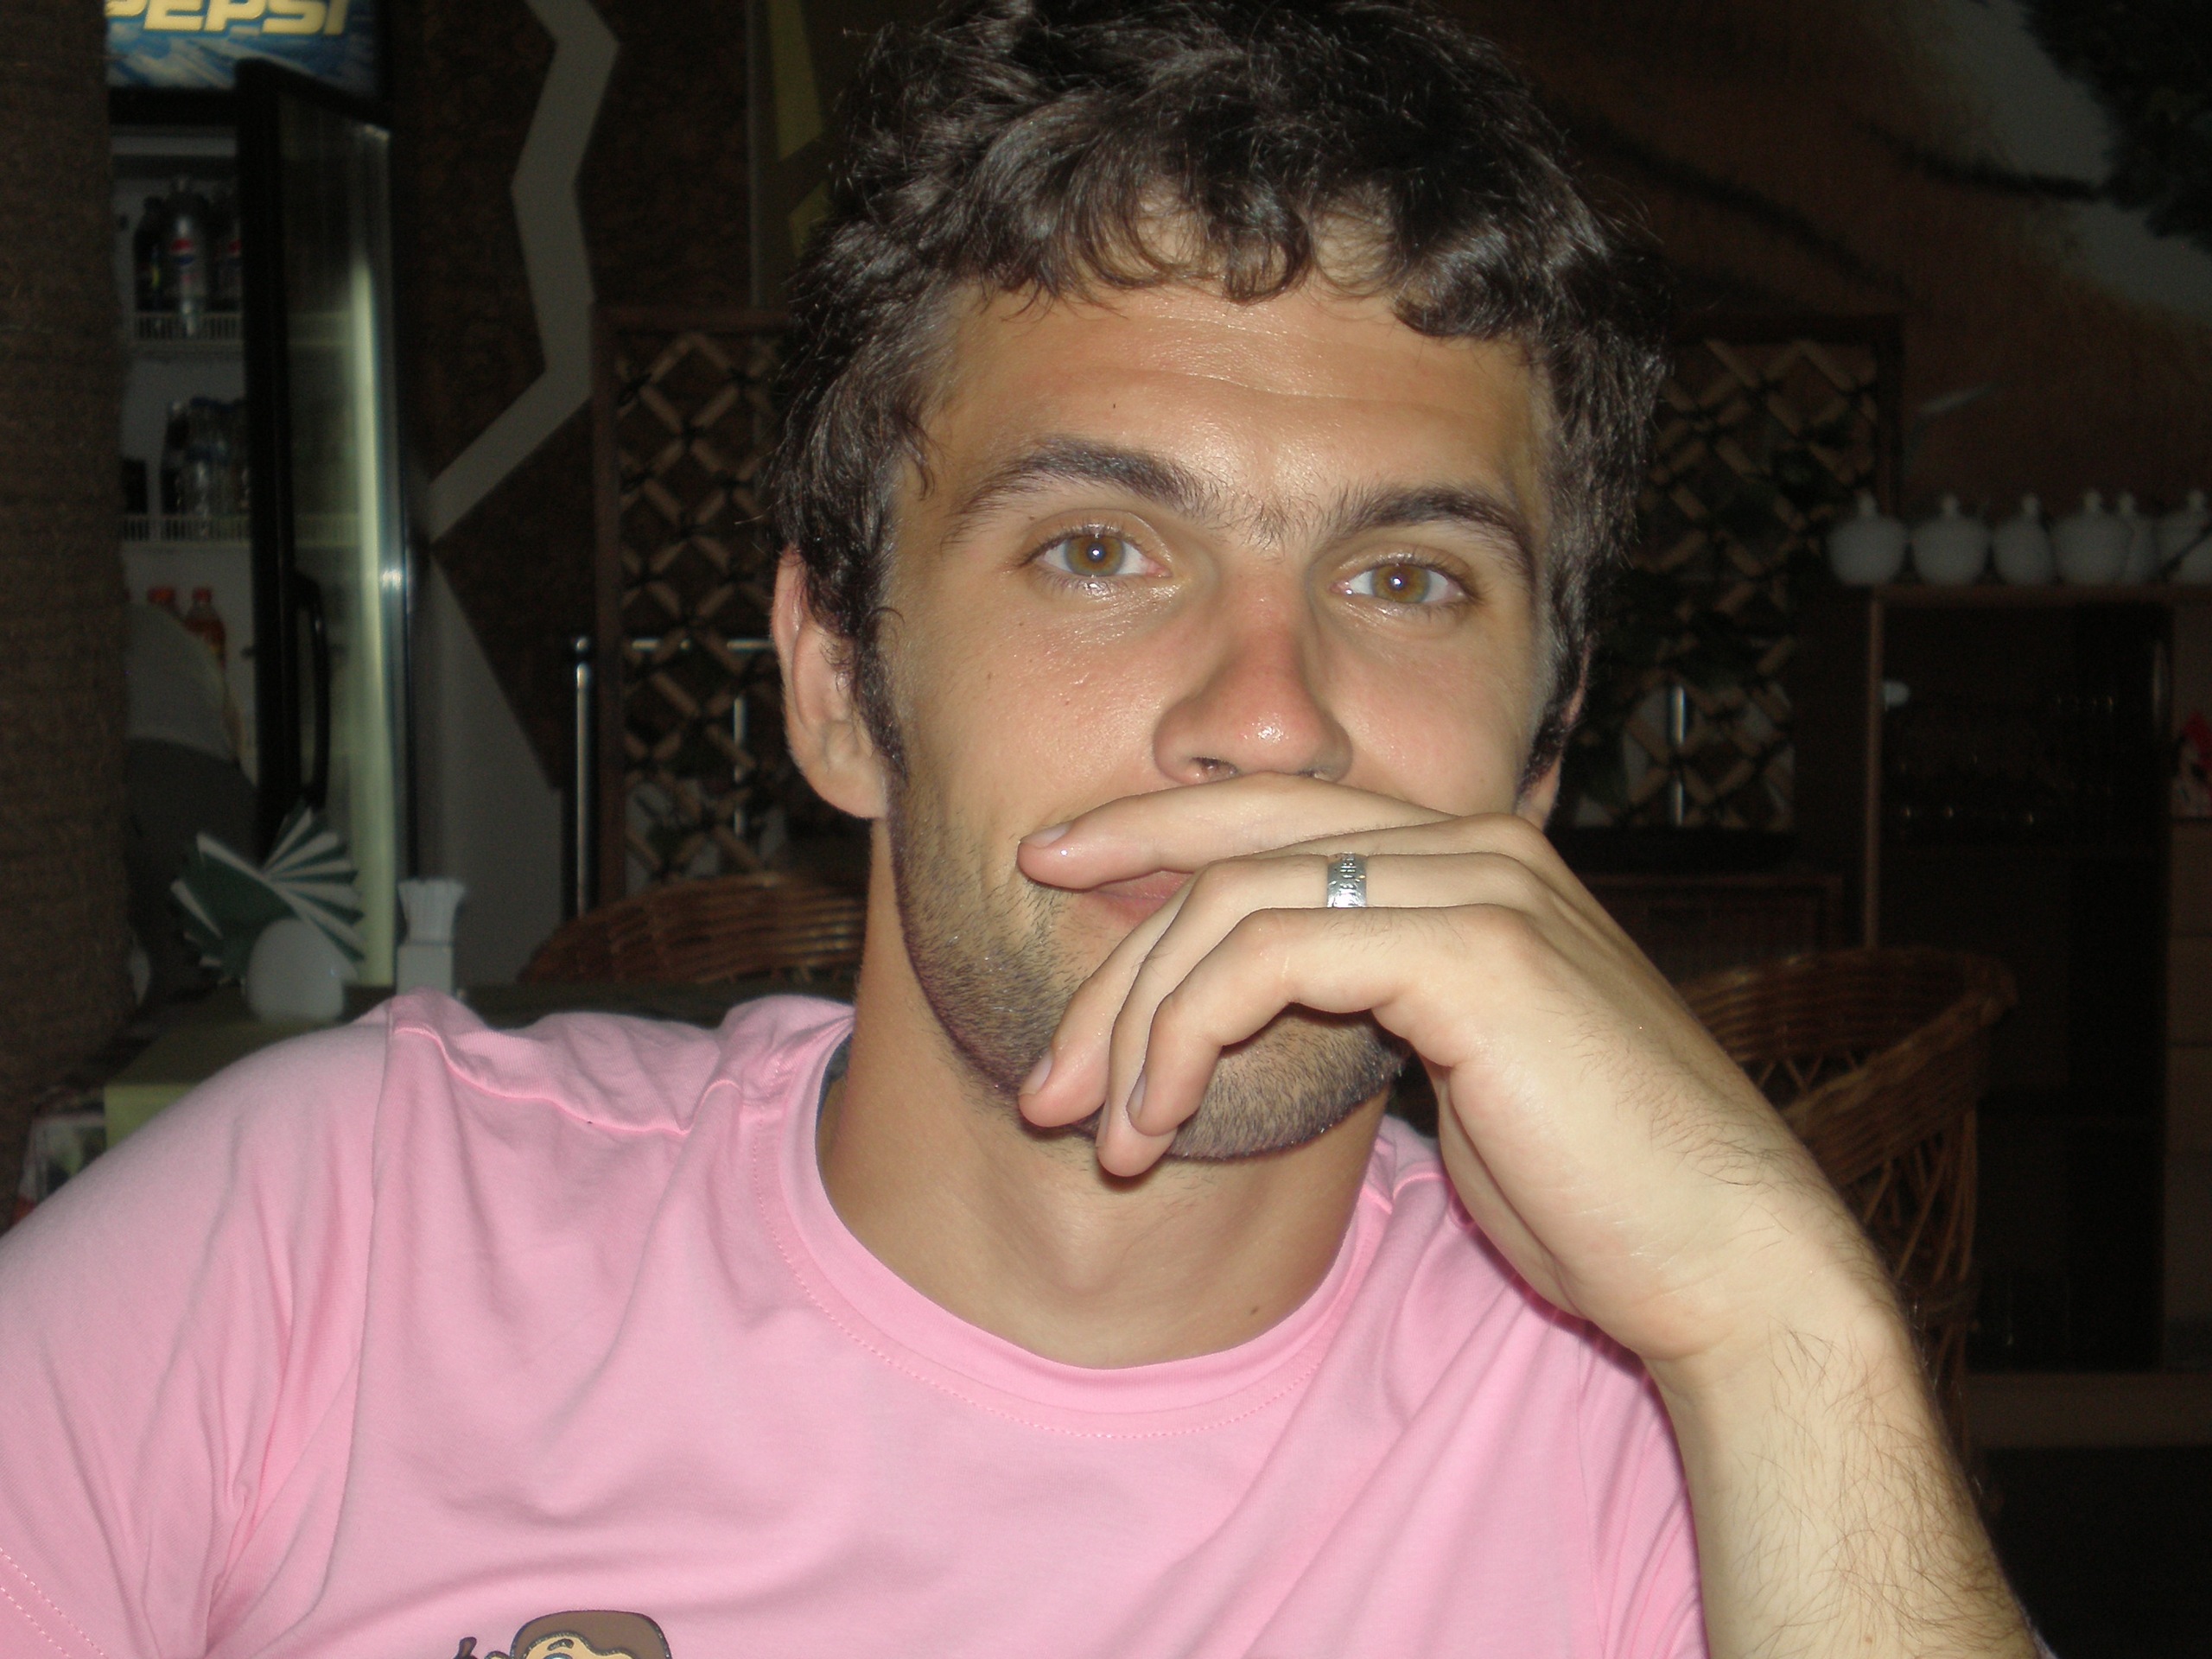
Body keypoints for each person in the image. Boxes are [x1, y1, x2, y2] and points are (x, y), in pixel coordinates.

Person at [0, 2, 2037, 1655]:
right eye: (1096, 548)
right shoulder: (329, 1238)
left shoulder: (1664, 1450)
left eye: (1406, 577)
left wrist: (1783, 1321)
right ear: (835, 683)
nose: (1267, 712)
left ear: (1537, 760)